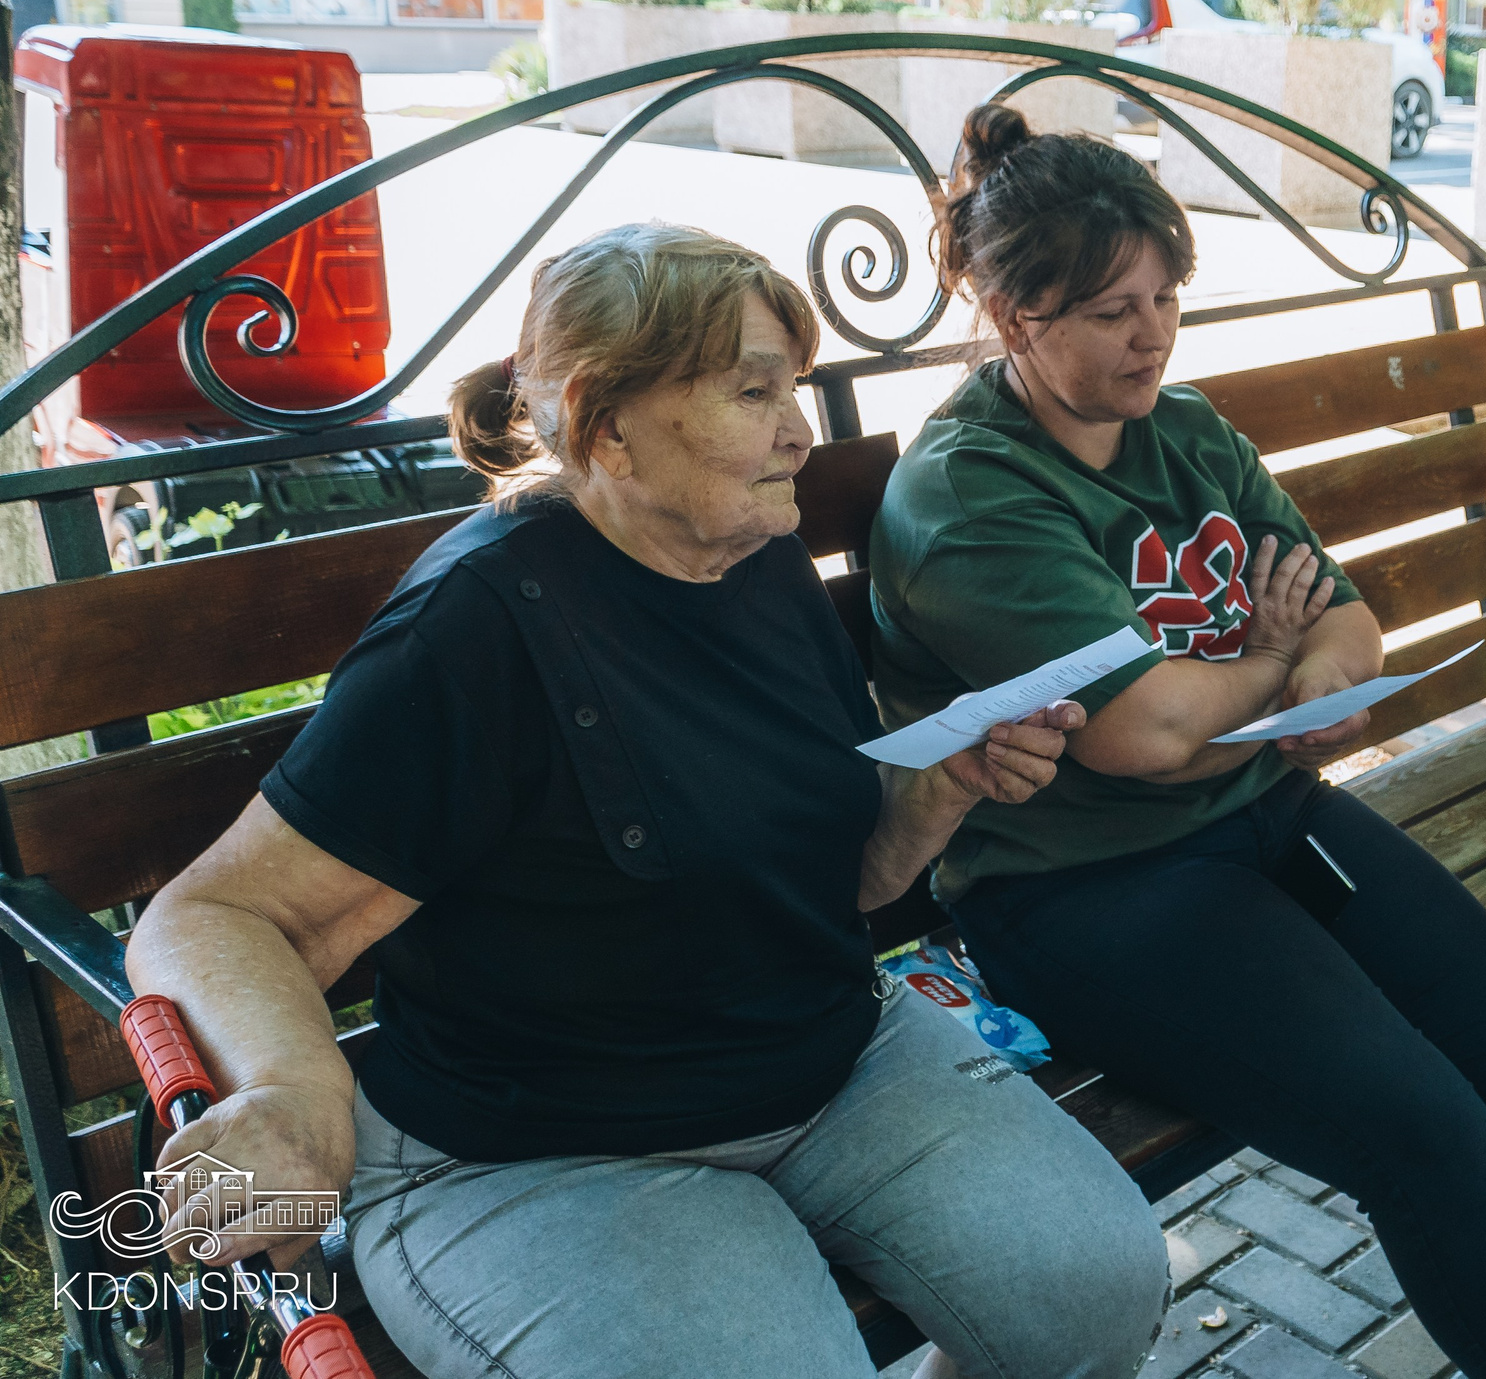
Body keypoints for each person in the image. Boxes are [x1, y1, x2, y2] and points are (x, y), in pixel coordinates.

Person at [124, 225, 1171, 1379]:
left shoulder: (753, 553)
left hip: (833, 1061)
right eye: (754, 393)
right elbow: (213, 914)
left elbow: (842, 885)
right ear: (606, 425)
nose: (798, 432)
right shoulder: (472, 631)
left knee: (1099, 1291)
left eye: (795, 389)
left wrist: (931, 796)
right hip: (545, 1152)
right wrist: (296, 1089)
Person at [868, 105, 1486, 1379]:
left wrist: (1277, 688)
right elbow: (1138, 732)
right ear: (1013, 315)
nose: (1152, 333)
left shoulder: (1188, 434)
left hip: (1262, 822)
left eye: (1165, 297)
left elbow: (1346, 626)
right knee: (1429, 1135)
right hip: (1087, 892)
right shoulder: (970, 494)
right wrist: (1275, 675)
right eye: (1111, 311)